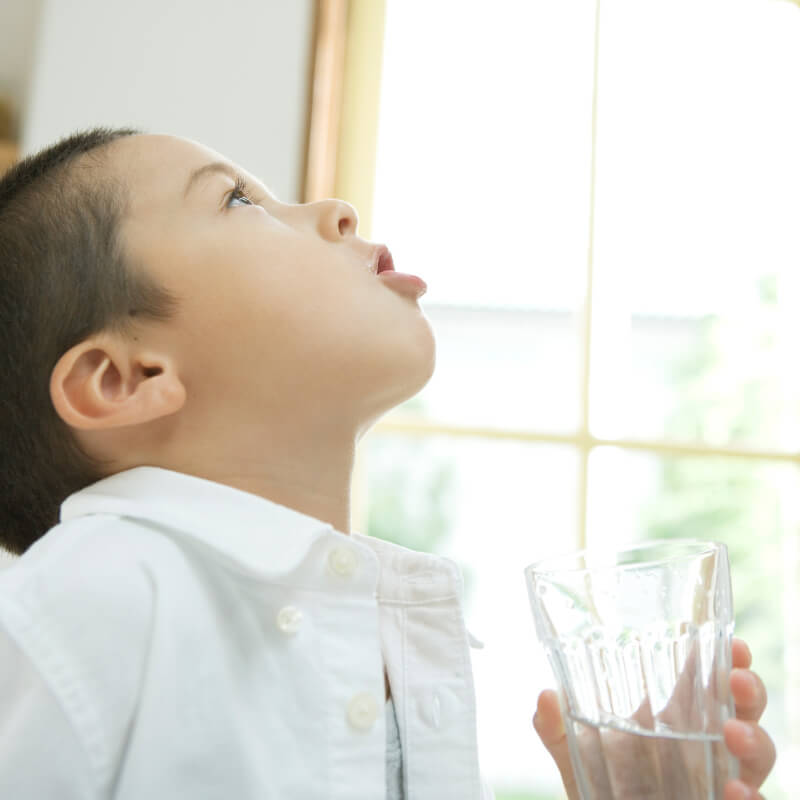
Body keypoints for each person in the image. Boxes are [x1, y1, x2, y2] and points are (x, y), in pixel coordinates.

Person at [0, 127, 775, 799]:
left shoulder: (388, 642)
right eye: (239, 201)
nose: (336, 211)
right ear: (124, 379)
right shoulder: (94, 594)